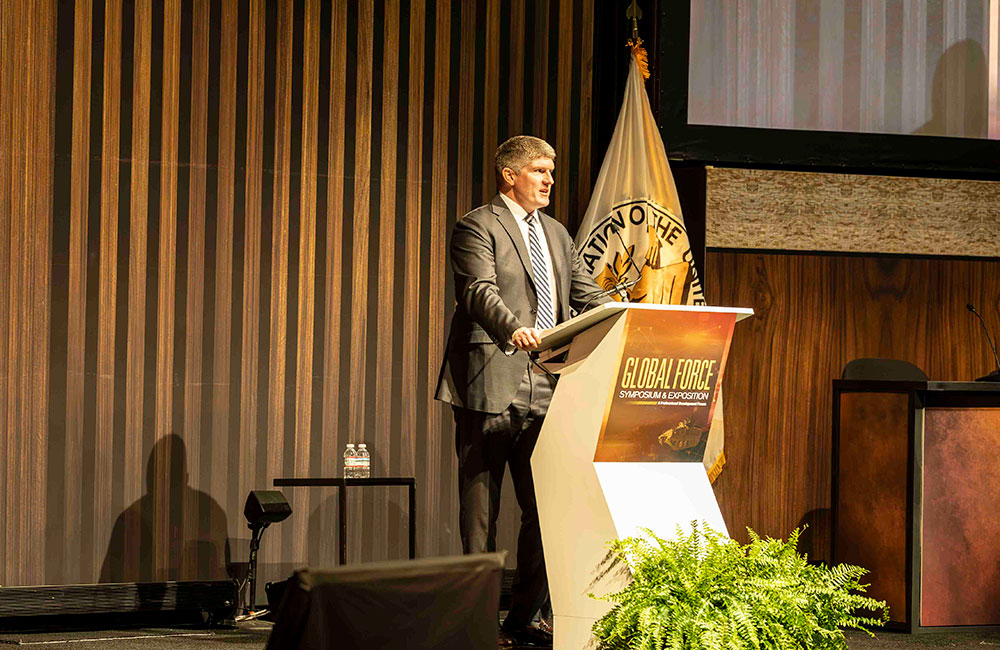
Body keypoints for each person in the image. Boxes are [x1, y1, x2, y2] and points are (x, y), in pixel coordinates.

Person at [435, 135, 609, 645]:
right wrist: (514, 327)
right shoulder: (477, 225)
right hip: (492, 379)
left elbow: (586, 293)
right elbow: (476, 291)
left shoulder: (557, 232)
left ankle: (525, 617)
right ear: (510, 174)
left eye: (552, 171)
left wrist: (626, 314)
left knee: (548, 509)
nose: (550, 179)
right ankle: (477, 623)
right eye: (540, 170)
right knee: (481, 515)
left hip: (551, 385)